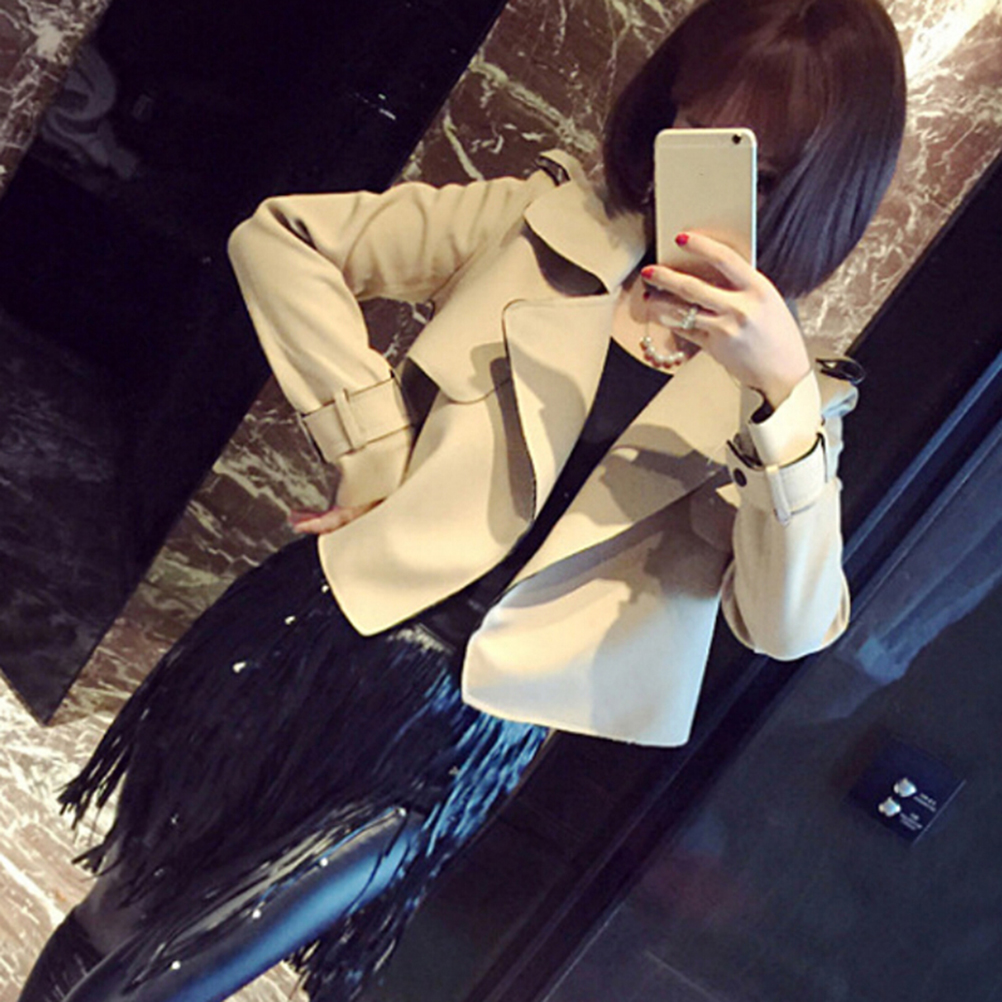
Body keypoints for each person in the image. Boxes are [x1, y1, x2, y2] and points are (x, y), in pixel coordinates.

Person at [19, 0, 906, 999]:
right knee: (130, 910)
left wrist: (778, 396)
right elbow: (284, 240)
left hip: (465, 739)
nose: (682, 175)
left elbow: (788, 625)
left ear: (825, 193)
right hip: (326, 637)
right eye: (685, 127)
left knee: (188, 969)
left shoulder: (795, 405)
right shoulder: (537, 225)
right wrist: (372, 452)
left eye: (753, 168)